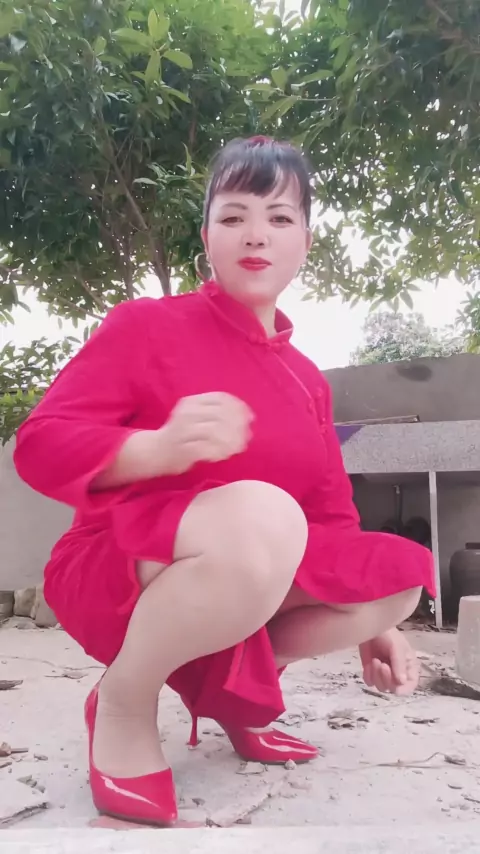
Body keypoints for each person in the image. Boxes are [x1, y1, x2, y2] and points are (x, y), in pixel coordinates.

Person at [14, 136, 434, 827]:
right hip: (122, 566)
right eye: (234, 216)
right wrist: (153, 449)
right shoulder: (146, 326)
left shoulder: (306, 379)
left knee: (399, 574)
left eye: (279, 217)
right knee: (265, 517)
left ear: (305, 242)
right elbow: (40, 444)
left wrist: (373, 622)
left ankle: (237, 698)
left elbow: (330, 513)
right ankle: (124, 698)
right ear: (207, 236)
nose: (256, 234)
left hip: (248, 563)